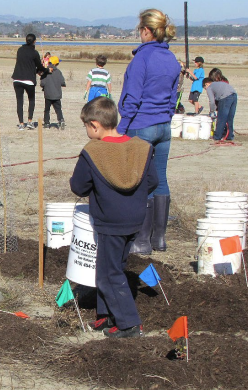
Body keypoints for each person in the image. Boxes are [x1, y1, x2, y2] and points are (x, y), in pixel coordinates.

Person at [70, 97, 158, 338]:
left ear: (95, 125)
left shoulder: (93, 152)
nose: (87, 130)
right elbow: (153, 182)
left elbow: (78, 186)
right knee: (114, 267)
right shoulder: (141, 147)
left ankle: (129, 324)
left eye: (86, 126)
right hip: (135, 219)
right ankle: (108, 317)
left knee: (108, 274)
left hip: (109, 221)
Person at [117, 8, 179, 255]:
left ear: (145, 30)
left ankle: (141, 241)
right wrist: (167, 116)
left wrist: (121, 130)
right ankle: (158, 239)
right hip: (164, 127)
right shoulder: (171, 59)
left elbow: (132, 98)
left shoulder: (141, 59)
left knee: (139, 180)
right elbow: (174, 95)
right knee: (160, 178)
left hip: (141, 125)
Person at [11, 33, 50, 130]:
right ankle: (29, 121)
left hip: (17, 79)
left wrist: (37, 69)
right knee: (31, 100)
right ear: (34, 41)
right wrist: (46, 69)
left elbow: (27, 64)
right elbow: (39, 66)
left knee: (19, 102)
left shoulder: (20, 50)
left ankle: (21, 123)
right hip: (29, 80)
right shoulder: (34, 53)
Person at [203, 76, 237, 141]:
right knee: (230, 118)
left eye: (205, 88)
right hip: (234, 95)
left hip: (225, 97)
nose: (206, 89)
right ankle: (229, 136)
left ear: (206, 84)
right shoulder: (217, 84)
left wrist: (212, 111)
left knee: (221, 118)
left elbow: (212, 101)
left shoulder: (209, 87)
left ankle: (217, 136)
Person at [40, 56, 66, 129]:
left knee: (47, 110)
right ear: (56, 64)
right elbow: (62, 82)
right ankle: (61, 120)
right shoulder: (58, 72)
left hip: (48, 94)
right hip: (57, 95)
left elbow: (42, 83)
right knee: (58, 109)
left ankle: (46, 123)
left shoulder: (46, 72)